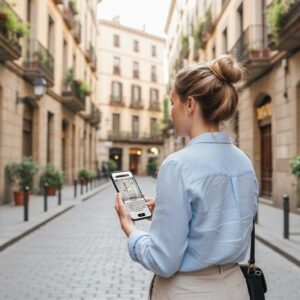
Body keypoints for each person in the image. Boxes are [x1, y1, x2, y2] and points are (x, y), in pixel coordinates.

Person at [114, 55, 258, 300]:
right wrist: (166, 210)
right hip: (236, 287)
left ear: (190, 104)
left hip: (189, 291)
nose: (170, 111)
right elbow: (222, 218)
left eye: (172, 102)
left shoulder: (177, 165)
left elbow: (163, 259)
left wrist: (130, 227)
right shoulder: (244, 162)